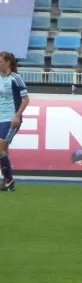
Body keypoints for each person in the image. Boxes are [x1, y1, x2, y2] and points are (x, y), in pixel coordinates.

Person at [0, 51, 29, 192]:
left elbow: (25, 99)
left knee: (0, 147)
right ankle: (7, 181)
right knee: (3, 149)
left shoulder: (15, 78)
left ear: (8, 62)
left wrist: (17, 116)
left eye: (0, 62)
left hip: (11, 118)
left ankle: (9, 179)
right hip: (0, 117)